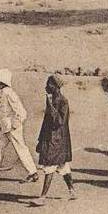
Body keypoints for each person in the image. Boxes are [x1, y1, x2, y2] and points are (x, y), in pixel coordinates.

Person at [0, 69, 38, 184]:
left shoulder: (9, 93)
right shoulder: (5, 92)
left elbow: (22, 112)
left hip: (13, 129)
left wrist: (14, 125)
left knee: (21, 150)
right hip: (5, 129)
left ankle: (33, 173)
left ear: (2, 82)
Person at [29, 74, 75, 206]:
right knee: (63, 166)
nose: (46, 88)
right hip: (49, 139)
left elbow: (59, 122)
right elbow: (46, 123)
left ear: (55, 87)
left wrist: (51, 107)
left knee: (50, 166)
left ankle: (43, 197)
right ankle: (72, 190)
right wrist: (40, 140)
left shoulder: (63, 101)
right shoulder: (52, 100)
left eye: (48, 85)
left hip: (58, 140)